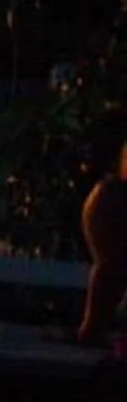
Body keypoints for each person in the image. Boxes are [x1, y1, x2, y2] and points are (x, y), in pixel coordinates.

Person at [82, 142, 127, 352]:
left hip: (110, 198)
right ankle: (93, 330)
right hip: (112, 199)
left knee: (111, 269)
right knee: (111, 268)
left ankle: (94, 330)